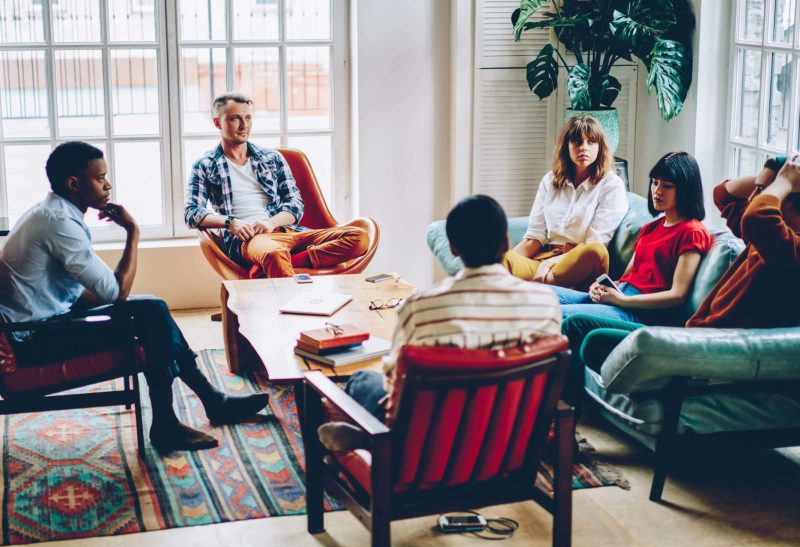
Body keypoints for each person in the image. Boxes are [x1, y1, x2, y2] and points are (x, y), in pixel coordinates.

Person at [0, 141, 267, 452]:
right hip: (31, 341)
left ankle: (208, 403)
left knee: (153, 313)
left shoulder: (49, 213)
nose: (108, 185)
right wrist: (133, 231)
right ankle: (176, 420)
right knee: (152, 313)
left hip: (37, 325)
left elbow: (80, 291)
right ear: (73, 184)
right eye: (100, 178)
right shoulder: (59, 224)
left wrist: (128, 311)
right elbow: (116, 292)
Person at [317, 195, 563, 452]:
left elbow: (394, 383)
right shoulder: (546, 304)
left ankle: (369, 440)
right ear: (506, 243)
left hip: (432, 447)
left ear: (453, 249)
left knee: (362, 380)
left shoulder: (419, 307)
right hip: (509, 443)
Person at [562, 154, 800, 394]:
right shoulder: (763, 242)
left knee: (580, 329)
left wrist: (782, 182)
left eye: (765, 194)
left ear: (787, 202)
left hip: (707, 347)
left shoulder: (787, 248)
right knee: (550, 305)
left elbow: (757, 219)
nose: (753, 199)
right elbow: (723, 194)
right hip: (690, 334)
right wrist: (769, 177)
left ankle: (561, 409)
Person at [185, 91, 369, 278]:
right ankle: (295, 305)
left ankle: (283, 262)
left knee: (360, 238)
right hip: (250, 240)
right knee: (274, 253)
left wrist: (270, 223)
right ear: (218, 123)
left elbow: (295, 205)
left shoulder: (271, 158)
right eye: (235, 119)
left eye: (248, 118)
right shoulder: (205, 165)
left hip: (288, 231)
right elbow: (191, 212)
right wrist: (231, 223)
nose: (244, 125)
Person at [553, 151, 712, 327]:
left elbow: (677, 295)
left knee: (557, 314)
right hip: (621, 297)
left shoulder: (692, 232)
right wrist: (600, 288)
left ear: (685, 190)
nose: (657, 191)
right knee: (538, 295)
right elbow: (626, 278)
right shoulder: (651, 228)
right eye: (654, 182)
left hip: (639, 312)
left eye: (667, 186)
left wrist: (623, 301)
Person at [503, 115, 628, 290]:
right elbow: (534, 238)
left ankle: (536, 289)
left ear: (600, 147)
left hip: (578, 263)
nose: (583, 148)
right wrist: (501, 264)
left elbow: (595, 242)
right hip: (543, 259)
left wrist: (548, 266)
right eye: (577, 142)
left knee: (595, 251)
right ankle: (543, 288)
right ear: (567, 146)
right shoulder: (550, 180)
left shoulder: (611, 185)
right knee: (496, 260)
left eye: (591, 142)